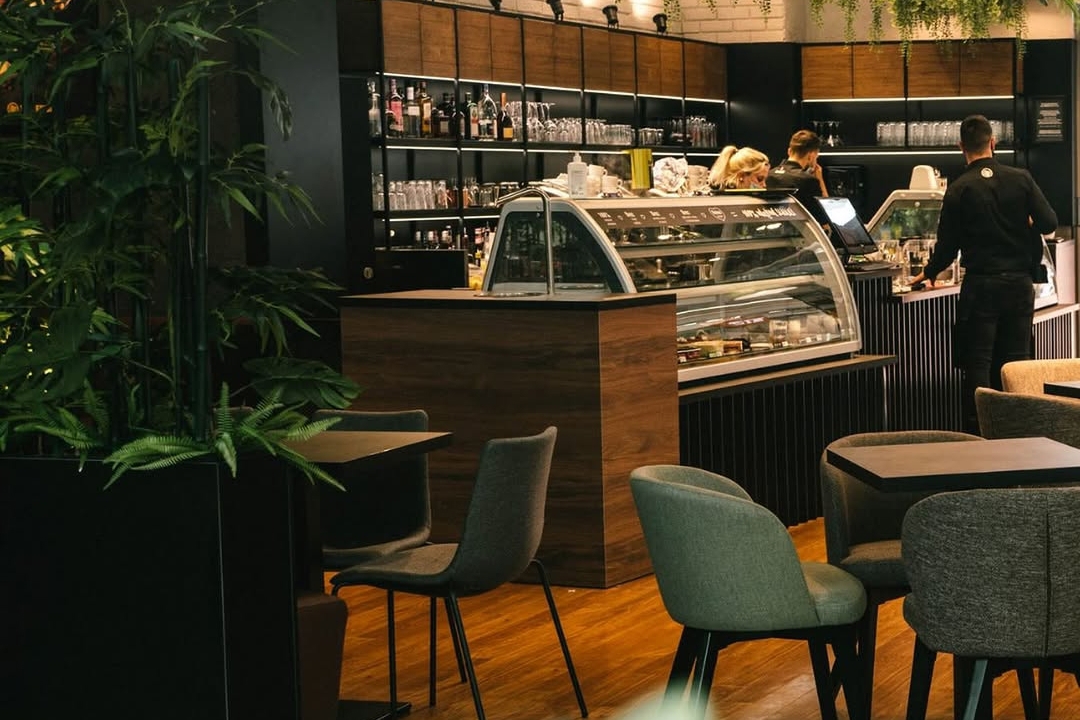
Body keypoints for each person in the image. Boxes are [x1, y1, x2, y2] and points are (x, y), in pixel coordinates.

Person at [909, 114, 1058, 435]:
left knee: (978, 361)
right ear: (993, 142)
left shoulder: (959, 188)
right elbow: (1049, 222)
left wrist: (927, 273)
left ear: (960, 146)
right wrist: (1027, 221)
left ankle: (980, 433)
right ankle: (1021, 431)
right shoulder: (1021, 178)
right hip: (1019, 284)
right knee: (1016, 361)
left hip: (981, 285)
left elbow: (947, 246)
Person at [766, 129, 830, 228]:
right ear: (812, 155)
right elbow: (825, 215)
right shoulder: (808, 180)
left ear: (789, 151)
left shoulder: (769, 174)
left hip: (772, 228)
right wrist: (819, 177)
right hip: (800, 232)